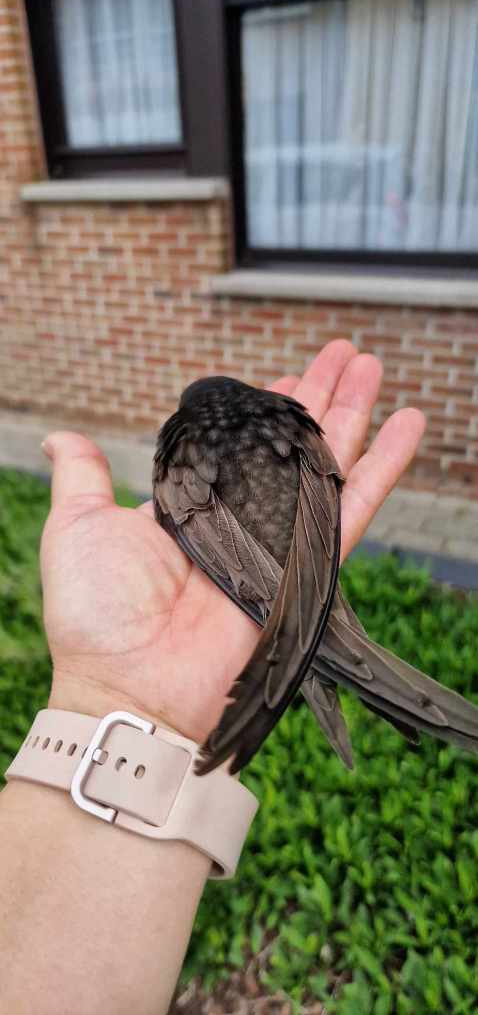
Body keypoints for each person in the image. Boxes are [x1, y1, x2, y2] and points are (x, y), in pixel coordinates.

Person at [0, 341, 425, 1015]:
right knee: (312, 621)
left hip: (256, 527)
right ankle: (330, 642)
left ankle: (327, 643)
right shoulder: (281, 416)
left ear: (190, 411)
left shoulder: (185, 444)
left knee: (312, 624)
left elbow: (203, 515)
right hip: (290, 493)